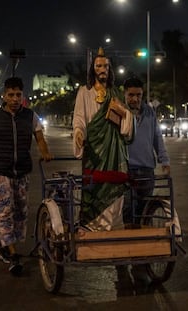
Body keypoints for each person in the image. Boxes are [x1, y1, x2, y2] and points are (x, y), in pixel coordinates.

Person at [0, 77, 52, 276]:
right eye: (11, 95)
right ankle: (12, 255)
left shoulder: (30, 116)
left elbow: (40, 139)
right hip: (1, 173)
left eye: (18, 95)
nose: (15, 99)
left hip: (22, 173)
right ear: (4, 95)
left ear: (23, 95)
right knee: (3, 212)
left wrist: (45, 152)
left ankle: (3, 247)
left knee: (20, 213)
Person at [73, 47, 134, 231]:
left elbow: (127, 118)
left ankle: (113, 227)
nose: (102, 69)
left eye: (106, 66)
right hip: (94, 150)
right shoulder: (84, 91)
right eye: (99, 66)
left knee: (114, 186)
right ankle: (93, 228)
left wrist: (124, 113)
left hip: (115, 152)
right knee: (95, 187)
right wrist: (78, 132)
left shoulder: (115, 92)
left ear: (110, 69)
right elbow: (79, 118)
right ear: (93, 69)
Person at [122, 76, 170, 225]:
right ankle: (131, 241)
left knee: (145, 211)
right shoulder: (119, 112)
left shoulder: (149, 112)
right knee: (129, 208)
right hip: (126, 170)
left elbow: (157, 137)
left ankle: (144, 242)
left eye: (139, 95)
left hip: (147, 170)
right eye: (131, 95)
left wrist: (164, 160)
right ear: (125, 94)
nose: (135, 99)